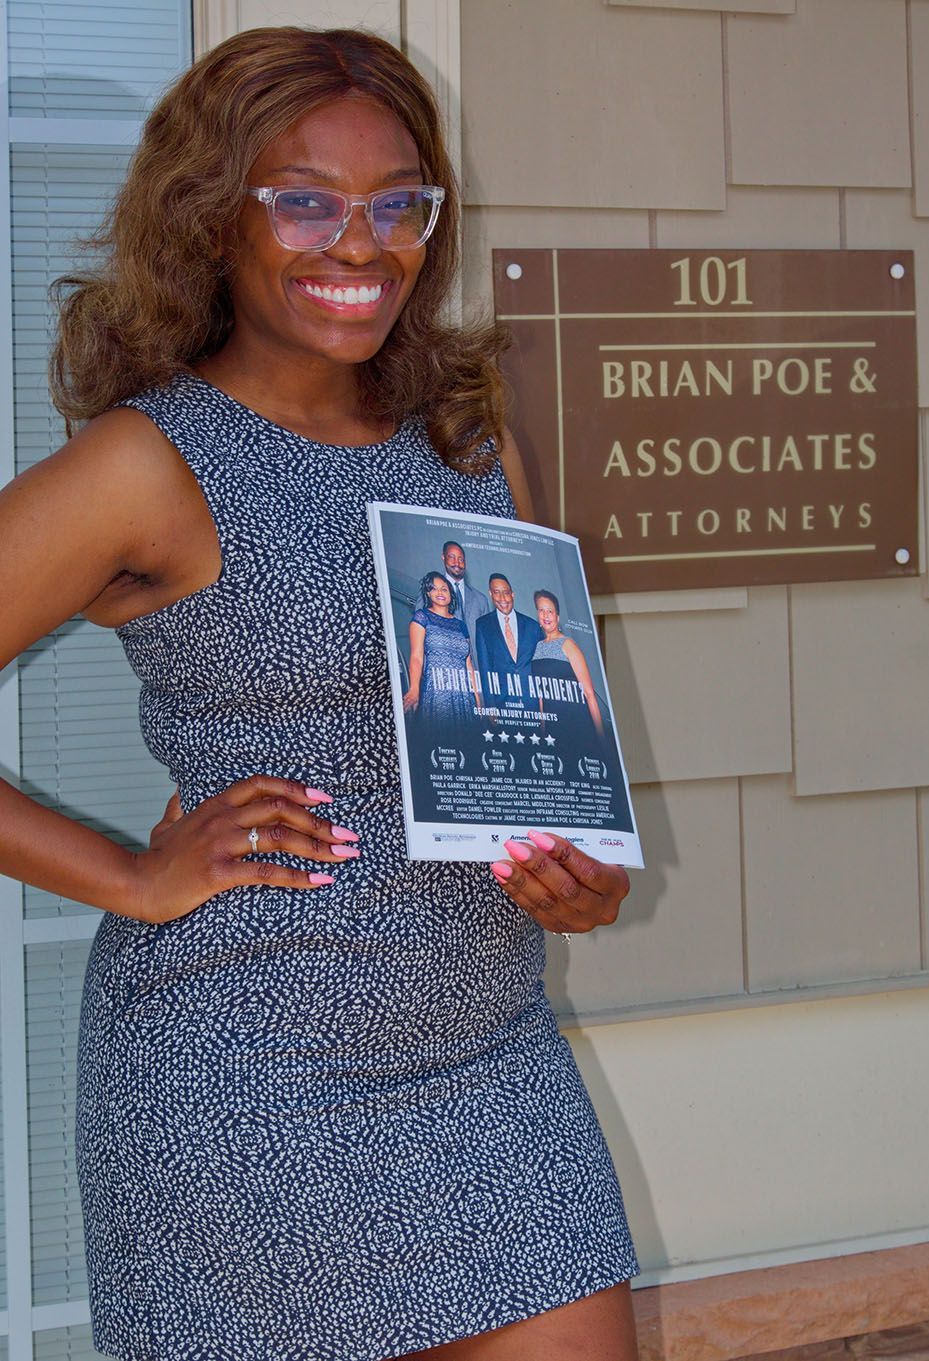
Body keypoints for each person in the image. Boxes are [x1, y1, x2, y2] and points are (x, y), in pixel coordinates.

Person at [0, 27, 639, 1361]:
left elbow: (530, 731)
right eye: (303, 199)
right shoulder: (149, 463)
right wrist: (129, 873)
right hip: (249, 1084)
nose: (361, 243)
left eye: (399, 203)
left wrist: (578, 867)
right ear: (211, 215)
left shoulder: (467, 438)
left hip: (490, 1052)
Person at [403, 570, 479, 724]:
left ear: (451, 594)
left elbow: (468, 664)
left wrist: (478, 700)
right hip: (436, 693)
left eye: (444, 589)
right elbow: (417, 657)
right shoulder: (422, 617)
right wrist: (414, 689)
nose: (440, 592)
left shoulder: (461, 625)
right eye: (434, 589)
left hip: (464, 696)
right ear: (428, 593)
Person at [532, 588, 606, 743]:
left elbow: (589, 693)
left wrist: (601, 738)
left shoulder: (568, 644)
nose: (545, 615)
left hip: (575, 722)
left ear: (557, 617)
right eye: (541, 610)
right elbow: (541, 696)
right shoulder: (537, 647)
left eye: (550, 611)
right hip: (552, 728)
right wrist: (542, 732)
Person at [475, 571, 543, 711]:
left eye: (506, 592)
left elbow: (542, 668)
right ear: (491, 594)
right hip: (502, 704)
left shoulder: (533, 626)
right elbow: (485, 669)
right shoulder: (483, 625)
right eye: (497, 592)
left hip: (532, 704)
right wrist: (490, 706)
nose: (502, 598)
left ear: (513, 594)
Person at [441, 538, 490, 650]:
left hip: (474, 660)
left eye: (461, 559)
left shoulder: (480, 600)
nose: (457, 563)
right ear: (443, 557)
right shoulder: (431, 592)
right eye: (452, 557)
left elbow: (487, 641)